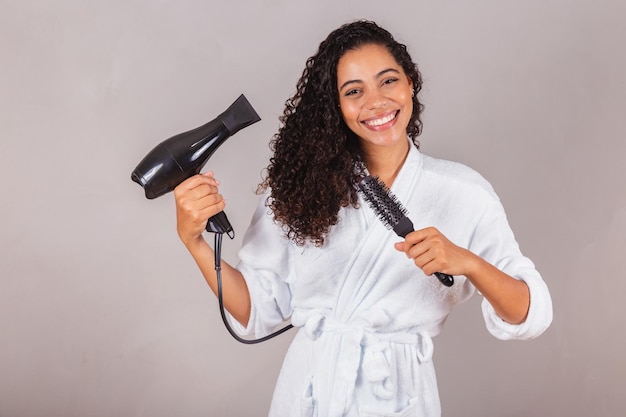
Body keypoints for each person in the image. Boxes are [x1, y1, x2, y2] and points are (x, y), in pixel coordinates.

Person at [174, 20, 553, 417]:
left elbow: (529, 313)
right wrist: (195, 242)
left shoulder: (464, 193)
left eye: (387, 81)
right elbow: (255, 311)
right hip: (310, 393)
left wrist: (469, 263)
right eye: (354, 91)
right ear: (335, 107)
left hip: (398, 394)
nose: (375, 102)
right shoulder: (299, 192)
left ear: (410, 83)